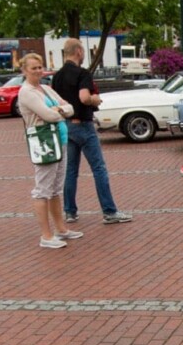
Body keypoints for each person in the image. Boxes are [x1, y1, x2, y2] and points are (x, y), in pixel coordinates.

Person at [52, 38, 132, 224]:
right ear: (79, 51)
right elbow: (84, 97)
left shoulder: (57, 76)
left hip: (66, 125)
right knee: (98, 168)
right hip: (83, 125)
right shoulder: (82, 73)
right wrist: (95, 99)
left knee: (71, 170)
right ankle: (109, 211)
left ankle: (70, 211)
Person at [18, 52, 82, 249]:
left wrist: (59, 111)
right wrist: (60, 112)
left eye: (40, 67)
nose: (38, 71)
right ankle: (46, 235)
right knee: (43, 189)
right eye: (33, 68)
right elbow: (48, 114)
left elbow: (69, 107)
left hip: (59, 139)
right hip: (44, 142)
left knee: (55, 188)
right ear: (24, 70)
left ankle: (61, 228)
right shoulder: (27, 92)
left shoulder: (45, 88)